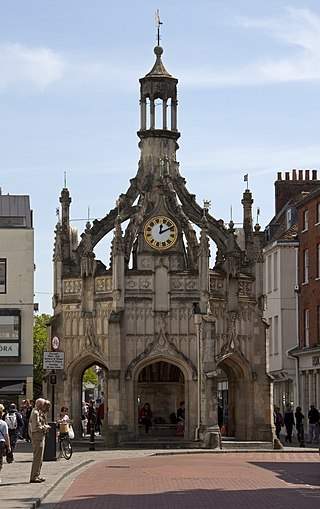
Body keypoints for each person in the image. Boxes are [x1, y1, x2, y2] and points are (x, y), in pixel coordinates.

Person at [29, 398, 51, 483]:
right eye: (43, 405)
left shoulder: (39, 412)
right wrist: (46, 427)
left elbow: (45, 413)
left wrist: (48, 406)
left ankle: (37, 475)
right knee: (37, 457)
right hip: (37, 436)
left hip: (40, 436)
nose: (44, 407)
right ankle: (34, 476)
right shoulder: (35, 413)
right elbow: (36, 426)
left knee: (40, 458)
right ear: (39, 405)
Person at [0, 403, 12, 484]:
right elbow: (6, 435)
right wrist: (9, 446)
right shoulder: (3, 423)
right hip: (1, 442)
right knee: (0, 460)